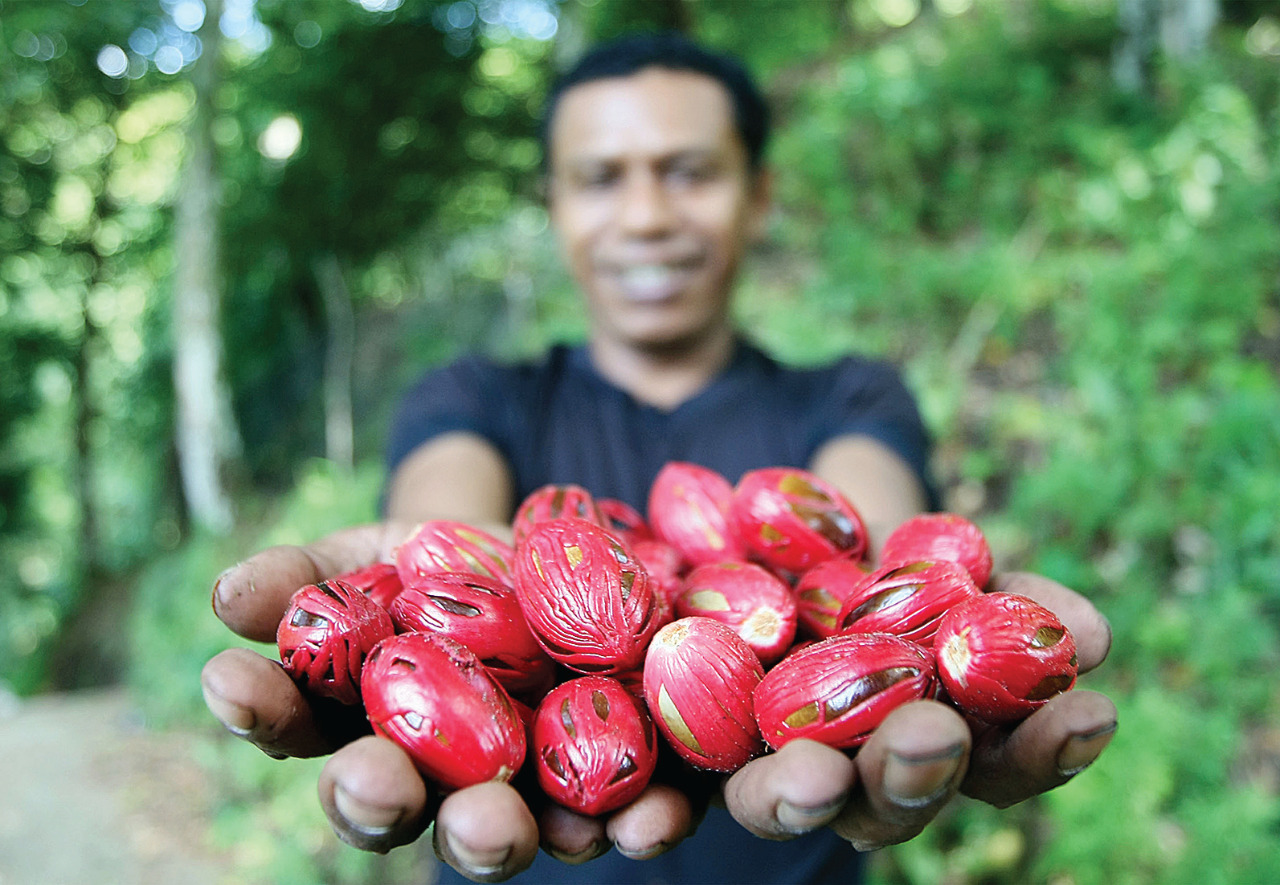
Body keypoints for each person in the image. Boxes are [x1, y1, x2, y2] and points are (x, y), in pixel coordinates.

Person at [201, 32, 1117, 884]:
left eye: (688, 172)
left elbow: (864, 527)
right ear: (553, 205)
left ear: (758, 192)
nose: (645, 216)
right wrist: (430, 577)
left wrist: (903, 608)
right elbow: (441, 519)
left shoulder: (851, 396)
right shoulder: (472, 397)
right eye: (600, 178)